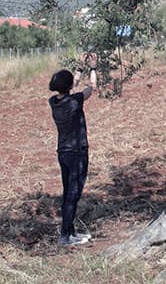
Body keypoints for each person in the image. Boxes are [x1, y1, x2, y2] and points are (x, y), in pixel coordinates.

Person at [48, 55, 97, 246]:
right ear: (69, 87)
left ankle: (70, 232)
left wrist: (79, 67)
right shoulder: (74, 101)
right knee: (73, 194)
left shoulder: (54, 102)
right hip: (77, 152)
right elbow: (91, 88)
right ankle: (65, 236)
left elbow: (72, 85)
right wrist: (92, 68)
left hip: (63, 153)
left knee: (68, 192)